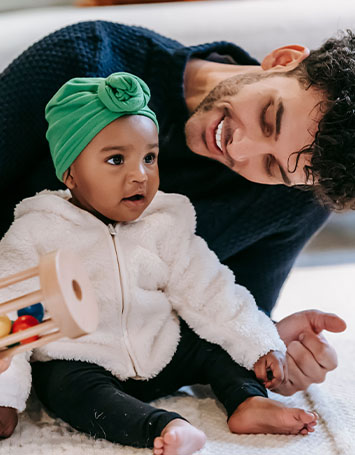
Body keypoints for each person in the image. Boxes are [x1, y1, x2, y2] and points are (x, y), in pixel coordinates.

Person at [0, 21, 349, 398]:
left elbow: (211, 314)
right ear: (282, 60)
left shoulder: (294, 201)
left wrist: (268, 343)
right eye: (268, 118)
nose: (240, 149)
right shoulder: (88, 57)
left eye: (272, 168)